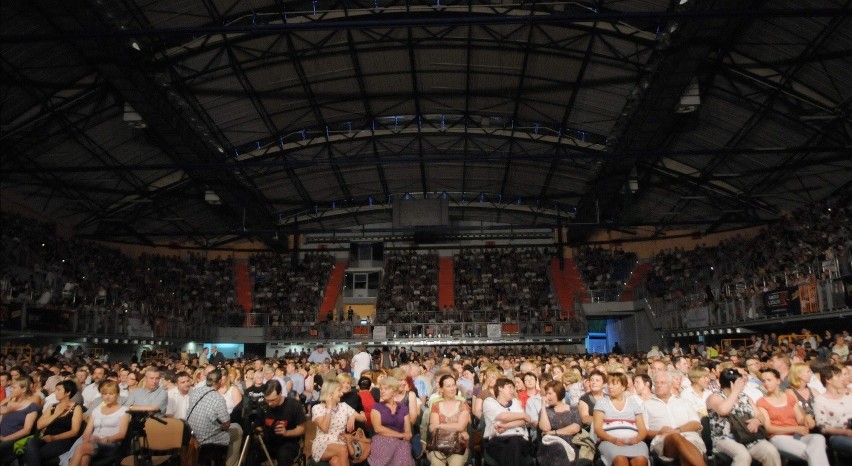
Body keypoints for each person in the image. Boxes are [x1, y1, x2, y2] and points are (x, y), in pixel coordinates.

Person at [706, 368, 780, 466]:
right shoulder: (714, 397)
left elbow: (759, 415)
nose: (744, 383)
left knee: (770, 451)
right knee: (743, 455)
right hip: (725, 438)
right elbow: (723, 411)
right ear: (732, 384)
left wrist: (757, 420)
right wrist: (735, 392)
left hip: (747, 436)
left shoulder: (744, 397)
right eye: (740, 382)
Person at [756, 368, 829, 466]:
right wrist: (796, 428)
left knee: (818, 438)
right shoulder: (762, 402)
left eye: (769, 380)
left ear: (778, 381)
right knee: (815, 452)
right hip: (779, 437)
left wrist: (807, 418)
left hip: (796, 435)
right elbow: (769, 428)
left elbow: (800, 419)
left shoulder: (789, 397)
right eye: (763, 381)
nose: (766, 383)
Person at [643, 371, 706, 466]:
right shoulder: (646, 405)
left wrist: (678, 430)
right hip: (663, 441)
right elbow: (644, 431)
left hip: (690, 438)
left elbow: (696, 424)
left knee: (684, 453)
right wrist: (659, 432)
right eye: (656, 383)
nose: (659, 385)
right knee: (675, 437)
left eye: (662, 383)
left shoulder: (683, 402)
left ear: (670, 385)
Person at [68, 381, 130, 466]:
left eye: (111, 394)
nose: (107, 397)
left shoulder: (123, 410)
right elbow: (87, 432)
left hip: (110, 444)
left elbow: (121, 434)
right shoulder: (97, 410)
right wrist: (87, 440)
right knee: (84, 457)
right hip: (93, 442)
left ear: (117, 395)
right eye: (105, 394)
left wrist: (104, 439)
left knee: (80, 449)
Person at [593, 372, 649, 466]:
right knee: (620, 460)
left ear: (623, 387)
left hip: (634, 442)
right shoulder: (602, 403)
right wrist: (613, 439)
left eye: (614, 384)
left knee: (640, 461)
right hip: (609, 441)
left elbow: (642, 429)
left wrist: (636, 439)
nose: (610, 387)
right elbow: (598, 429)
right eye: (609, 383)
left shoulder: (633, 403)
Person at [24, 380, 84, 466]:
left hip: (63, 440)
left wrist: (54, 438)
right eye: (55, 389)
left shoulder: (76, 408)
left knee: (33, 455)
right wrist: (56, 414)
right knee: (31, 442)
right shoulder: (52, 406)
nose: (55, 392)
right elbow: (39, 425)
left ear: (68, 392)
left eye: (58, 390)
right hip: (45, 437)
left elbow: (74, 431)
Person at [186, 369, 231, 466]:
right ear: (219, 381)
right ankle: (232, 463)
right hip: (207, 439)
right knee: (236, 431)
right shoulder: (218, 398)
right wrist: (222, 427)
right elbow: (227, 424)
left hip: (191, 434)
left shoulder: (194, 391)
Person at [482, 377, 532, 465]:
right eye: (510, 387)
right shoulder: (489, 402)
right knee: (512, 447)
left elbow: (523, 422)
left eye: (513, 388)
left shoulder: (516, 402)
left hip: (520, 439)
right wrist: (524, 415)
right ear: (500, 388)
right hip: (497, 440)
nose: (513, 390)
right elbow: (503, 416)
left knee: (514, 443)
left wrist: (506, 426)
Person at [369, 377, 414, 466]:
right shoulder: (376, 407)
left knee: (404, 449)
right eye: (381, 389)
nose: (382, 391)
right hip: (382, 440)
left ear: (395, 392)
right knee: (398, 447)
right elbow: (378, 429)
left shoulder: (404, 408)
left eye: (386, 389)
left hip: (401, 442)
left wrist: (408, 434)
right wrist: (401, 435)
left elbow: (408, 430)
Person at [428, 374, 471, 466]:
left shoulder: (463, 405)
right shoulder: (436, 405)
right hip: (438, 445)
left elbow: (461, 426)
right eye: (448, 386)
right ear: (441, 389)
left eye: (453, 385)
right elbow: (432, 428)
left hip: (458, 446)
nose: (452, 388)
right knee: (436, 463)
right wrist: (455, 428)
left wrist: (440, 425)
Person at [262, 380, 307, 466]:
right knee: (252, 452)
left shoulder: (293, 405)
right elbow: (258, 426)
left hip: (289, 443)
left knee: (284, 454)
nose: (270, 403)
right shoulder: (264, 406)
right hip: (269, 442)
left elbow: (302, 429)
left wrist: (286, 433)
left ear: (280, 393)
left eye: (273, 400)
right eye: (267, 400)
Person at [311, 380, 355, 466]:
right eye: (339, 390)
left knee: (336, 461)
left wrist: (352, 416)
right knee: (342, 450)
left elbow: (363, 418)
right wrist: (329, 407)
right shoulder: (317, 408)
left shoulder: (344, 406)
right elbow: (324, 428)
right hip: (323, 444)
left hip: (339, 442)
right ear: (330, 393)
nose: (342, 393)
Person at [537, 380, 581, 466]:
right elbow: (545, 428)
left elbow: (575, 428)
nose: (547, 397)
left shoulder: (573, 409)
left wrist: (554, 432)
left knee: (561, 450)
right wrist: (543, 406)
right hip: (551, 443)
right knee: (556, 449)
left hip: (570, 442)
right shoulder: (545, 411)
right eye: (546, 394)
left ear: (558, 393)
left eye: (550, 393)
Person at [813, 365, 852, 459]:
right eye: (838, 377)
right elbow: (823, 426)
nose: (842, 379)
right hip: (838, 435)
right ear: (828, 380)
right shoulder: (820, 400)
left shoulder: (849, 394)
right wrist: (845, 432)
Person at [0, 377, 40, 465]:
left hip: (15, 439)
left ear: (23, 389)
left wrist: (5, 439)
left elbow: (27, 430)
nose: (11, 390)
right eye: (11, 387)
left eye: (14, 388)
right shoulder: (8, 402)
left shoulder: (31, 407)